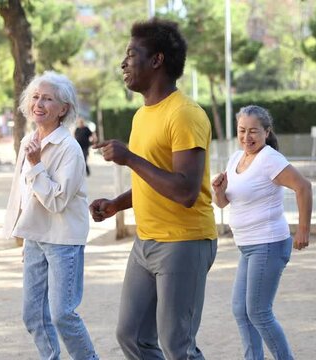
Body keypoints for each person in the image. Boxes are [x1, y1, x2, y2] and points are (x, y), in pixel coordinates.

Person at [88, 18, 217, 360]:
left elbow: (185, 190)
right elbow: (155, 179)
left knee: (178, 346)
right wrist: (117, 204)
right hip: (146, 241)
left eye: (132, 54)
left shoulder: (185, 114)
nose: (124, 63)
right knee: (131, 335)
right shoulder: (142, 115)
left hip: (184, 242)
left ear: (157, 60)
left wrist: (129, 158)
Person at [3, 71, 99, 360]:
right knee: (32, 315)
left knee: (62, 315)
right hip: (36, 237)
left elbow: (57, 201)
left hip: (63, 240)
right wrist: (22, 232)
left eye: (47, 98)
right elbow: (20, 193)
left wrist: (35, 166)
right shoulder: (28, 141)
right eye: (35, 97)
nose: (39, 103)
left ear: (63, 108)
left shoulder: (70, 149)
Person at [212, 105, 312, 360]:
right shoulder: (236, 158)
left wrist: (302, 230)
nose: (247, 137)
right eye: (242, 130)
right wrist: (219, 190)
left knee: (258, 312)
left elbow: (303, 187)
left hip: (268, 244)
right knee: (240, 309)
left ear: (266, 132)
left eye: (253, 131)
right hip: (247, 246)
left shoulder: (270, 158)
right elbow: (223, 203)